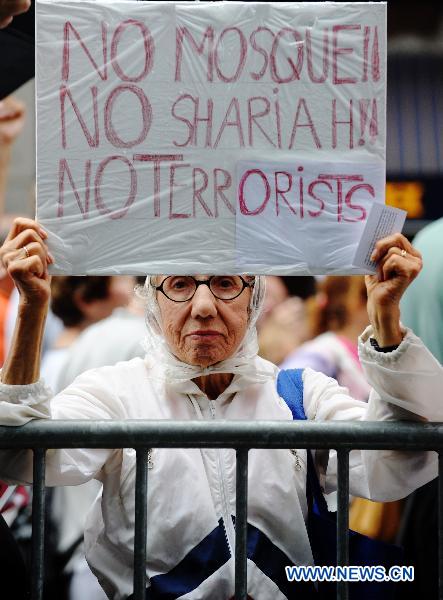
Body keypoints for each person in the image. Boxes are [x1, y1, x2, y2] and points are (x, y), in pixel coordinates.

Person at [0, 216, 441, 600]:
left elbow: (395, 464)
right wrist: (32, 309)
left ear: (255, 300)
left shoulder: (300, 394)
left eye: (227, 283)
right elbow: (19, 454)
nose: (204, 307)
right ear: (152, 301)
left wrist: (385, 316)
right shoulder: (114, 392)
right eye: (180, 284)